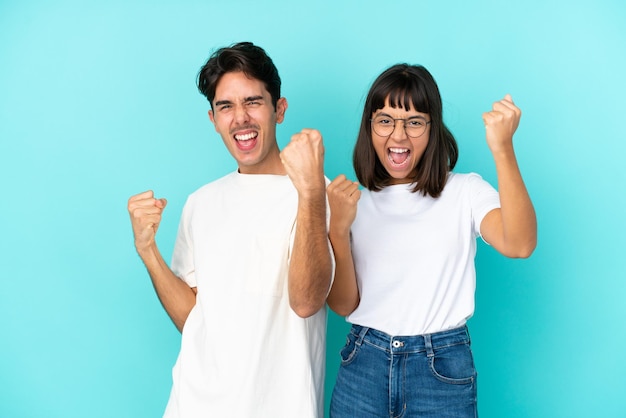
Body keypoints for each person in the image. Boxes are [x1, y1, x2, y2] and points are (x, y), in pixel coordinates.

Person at [127, 42, 333, 418]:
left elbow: (306, 301)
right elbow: (195, 320)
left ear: (279, 110)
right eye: (226, 106)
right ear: (213, 119)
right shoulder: (200, 203)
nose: (240, 118)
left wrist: (311, 193)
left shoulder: (316, 192)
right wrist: (148, 252)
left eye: (253, 102)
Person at [326, 64, 537, 417]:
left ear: (432, 128)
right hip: (363, 365)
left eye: (414, 121)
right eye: (385, 120)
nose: (398, 135)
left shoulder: (465, 191)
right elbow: (344, 305)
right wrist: (337, 231)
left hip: (440, 372)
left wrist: (503, 148)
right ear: (370, 127)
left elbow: (520, 243)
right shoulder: (353, 203)